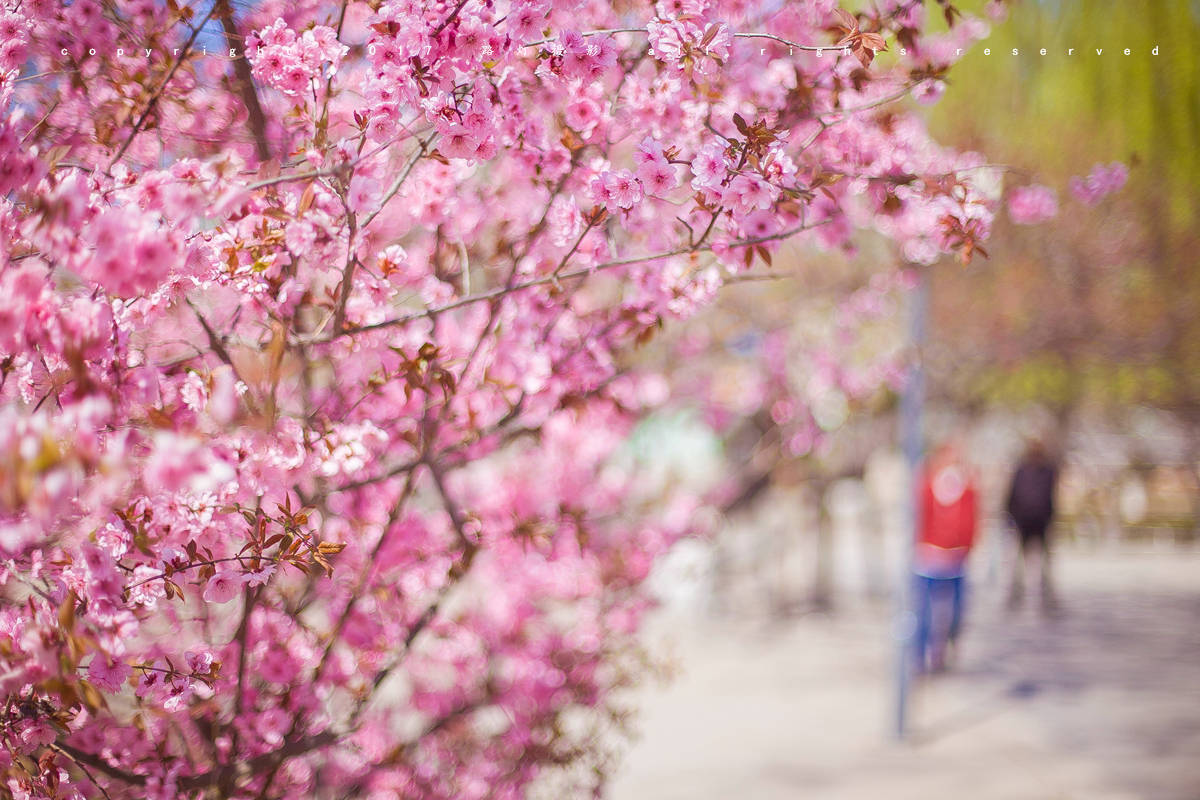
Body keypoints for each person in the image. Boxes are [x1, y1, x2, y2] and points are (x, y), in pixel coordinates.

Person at [912, 442, 979, 673]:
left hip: (956, 559)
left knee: (956, 612)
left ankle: (947, 647)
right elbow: (917, 517)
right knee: (923, 612)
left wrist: (967, 547)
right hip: (928, 558)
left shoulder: (967, 489)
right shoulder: (927, 486)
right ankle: (921, 658)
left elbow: (972, 521)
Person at [1005, 438, 1059, 613]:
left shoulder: (1048, 471)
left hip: (1041, 523)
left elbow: (1051, 497)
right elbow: (1012, 495)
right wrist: (1013, 517)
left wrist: (1048, 517)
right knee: (1018, 564)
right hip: (1024, 522)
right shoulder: (1021, 470)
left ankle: (1047, 598)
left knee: (1044, 565)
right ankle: (1016, 596)